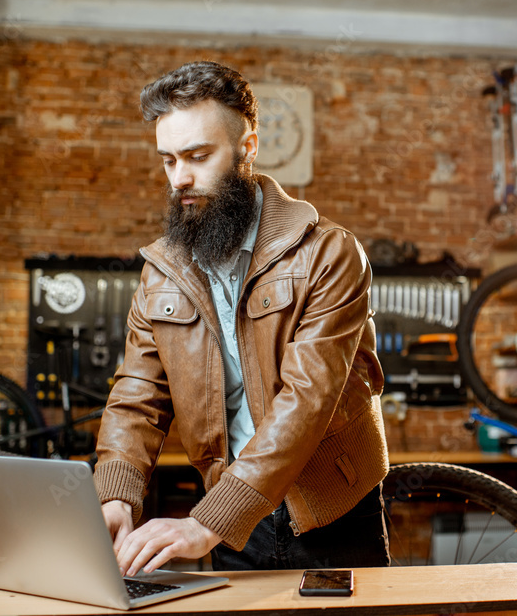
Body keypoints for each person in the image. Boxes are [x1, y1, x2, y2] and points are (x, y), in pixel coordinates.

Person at [94, 60, 390, 575]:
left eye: (198, 156)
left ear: (247, 148)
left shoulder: (329, 254)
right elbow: (137, 394)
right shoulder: (161, 271)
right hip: (231, 514)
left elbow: (308, 401)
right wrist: (116, 494)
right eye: (168, 160)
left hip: (328, 510)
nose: (179, 178)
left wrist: (206, 523)